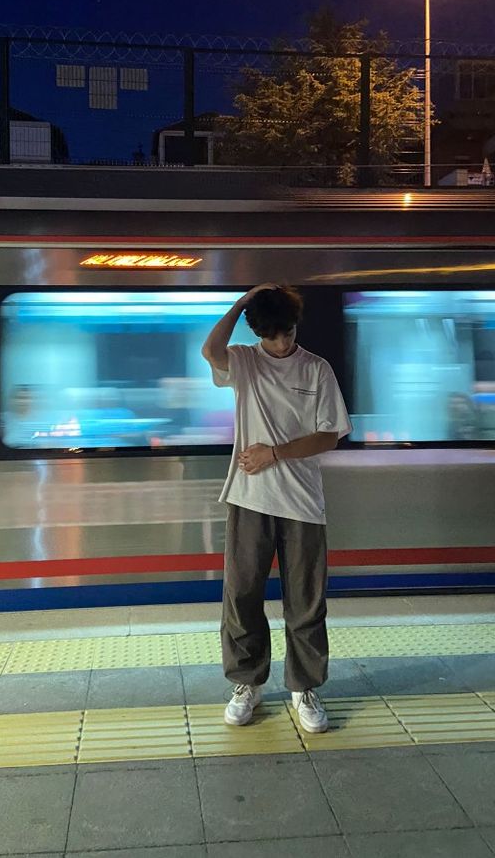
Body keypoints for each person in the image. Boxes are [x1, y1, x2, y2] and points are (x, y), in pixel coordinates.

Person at [201, 283, 351, 734]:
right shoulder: (244, 361)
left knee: (306, 602)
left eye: (286, 333)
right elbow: (211, 349)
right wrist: (243, 301)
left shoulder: (316, 369)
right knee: (241, 596)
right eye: (273, 336)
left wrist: (275, 452)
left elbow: (331, 434)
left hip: (303, 503)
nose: (282, 343)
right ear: (259, 333)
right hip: (249, 500)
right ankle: (248, 682)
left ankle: (305, 687)